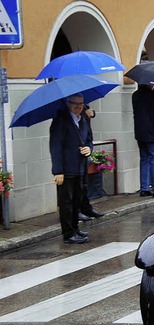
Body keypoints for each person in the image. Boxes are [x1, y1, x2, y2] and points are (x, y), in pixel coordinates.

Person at [49, 93, 93, 244]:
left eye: (81, 104)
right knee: (66, 203)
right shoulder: (60, 120)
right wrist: (58, 171)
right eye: (75, 104)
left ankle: (75, 229)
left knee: (76, 202)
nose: (78, 107)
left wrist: (89, 149)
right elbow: (55, 146)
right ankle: (68, 234)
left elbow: (89, 140)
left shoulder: (84, 119)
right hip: (66, 169)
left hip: (79, 167)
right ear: (68, 104)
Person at [78, 106, 104, 222]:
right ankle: (76, 211)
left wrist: (89, 147)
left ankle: (86, 208)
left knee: (84, 184)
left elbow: (89, 138)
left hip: (84, 154)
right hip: (72, 158)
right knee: (75, 186)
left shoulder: (83, 115)